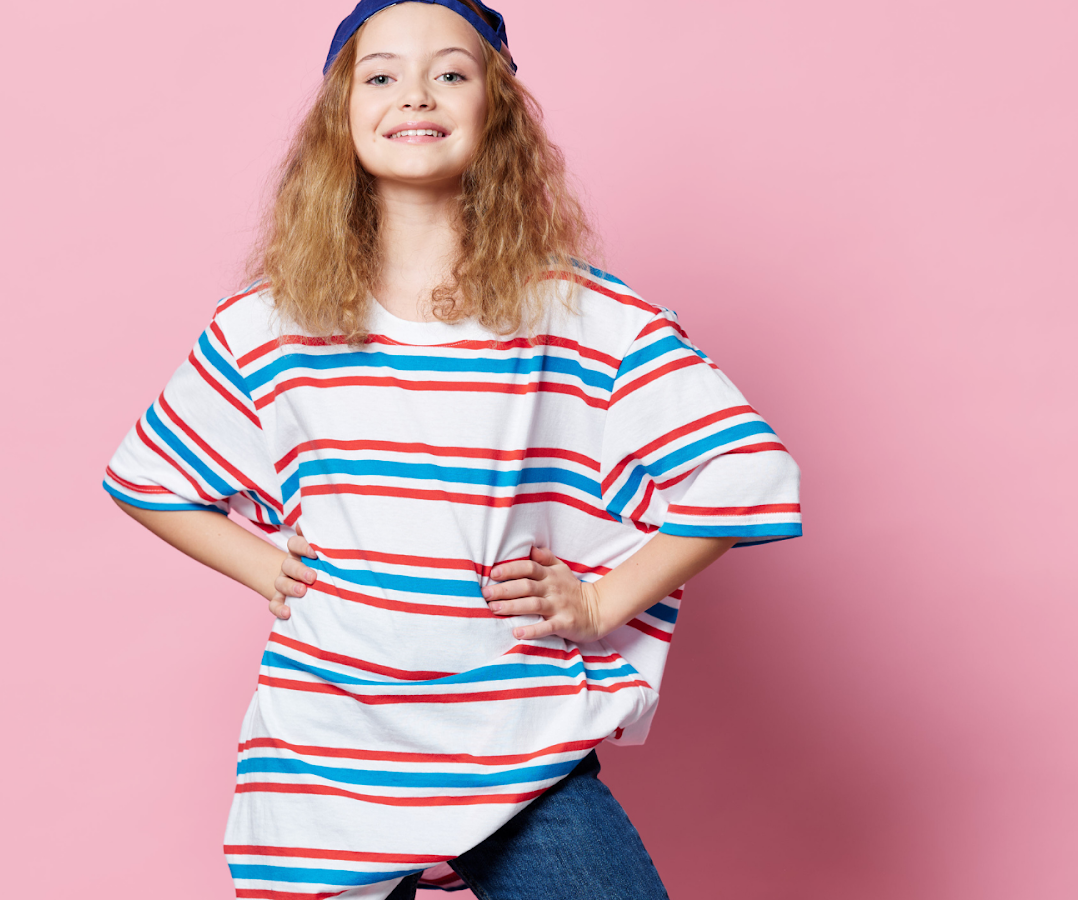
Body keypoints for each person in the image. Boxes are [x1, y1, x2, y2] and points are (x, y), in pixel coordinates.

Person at [102, 1, 802, 897]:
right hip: (326, 753)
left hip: (519, 741)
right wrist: (266, 566)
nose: (416, 94)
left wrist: (600, 603)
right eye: (381, 74)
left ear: (496, 109)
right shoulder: (268, 324)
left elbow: (749, 468)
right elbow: (148, 477)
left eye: (451, 72)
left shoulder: (581, 315)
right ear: (341, 115)